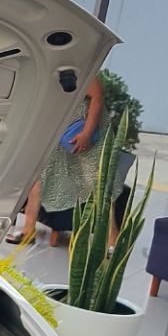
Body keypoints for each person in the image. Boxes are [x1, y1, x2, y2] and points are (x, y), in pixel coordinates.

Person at [15, 73, 105, 245]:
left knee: (98, 183)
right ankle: (28, 230)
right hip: (54, 128)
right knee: (38, 178)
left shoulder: (78, 67)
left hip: (75, 131)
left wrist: (87, 133)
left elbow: (98, 96)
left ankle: (111, 239)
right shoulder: (52, 66)